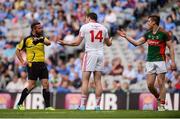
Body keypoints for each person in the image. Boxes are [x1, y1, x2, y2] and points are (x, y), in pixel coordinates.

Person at [117, 15, 176, 111]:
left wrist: (172, 61)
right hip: (149, 61)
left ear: (154, 22)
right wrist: (126, 36)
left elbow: (171, 47)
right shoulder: (147, 34)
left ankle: (161, 105)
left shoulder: (164, 33)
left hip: (160, 60)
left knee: (161, 83)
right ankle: (158, 97)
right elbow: (136, 43)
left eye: (149, 21)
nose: (147, 23)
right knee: (149, 85)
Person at [58, 12, 112, 110]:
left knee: (85, 80)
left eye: (86, 18)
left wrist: (65, 42)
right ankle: (98, 106)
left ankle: (83, 106)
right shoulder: (104, 28)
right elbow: (109, 44)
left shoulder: (85, 27)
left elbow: (77, 43)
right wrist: (110, 41)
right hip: (100, 54)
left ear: (88, 18)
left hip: (90, 54)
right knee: (98, 81)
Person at [16, 21, 54, 110]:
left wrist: (40, 40)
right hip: (32, 64)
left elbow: (49, 43)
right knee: (31, 85)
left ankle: (48, 106)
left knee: (46, 84)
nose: (41, 29)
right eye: (39, 28)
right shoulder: (27, 39)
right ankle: (19, 104)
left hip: (42, 64)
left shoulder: (42, 38)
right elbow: (17, 50)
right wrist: (22, 61)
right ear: (34, 29)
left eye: (41, 28)